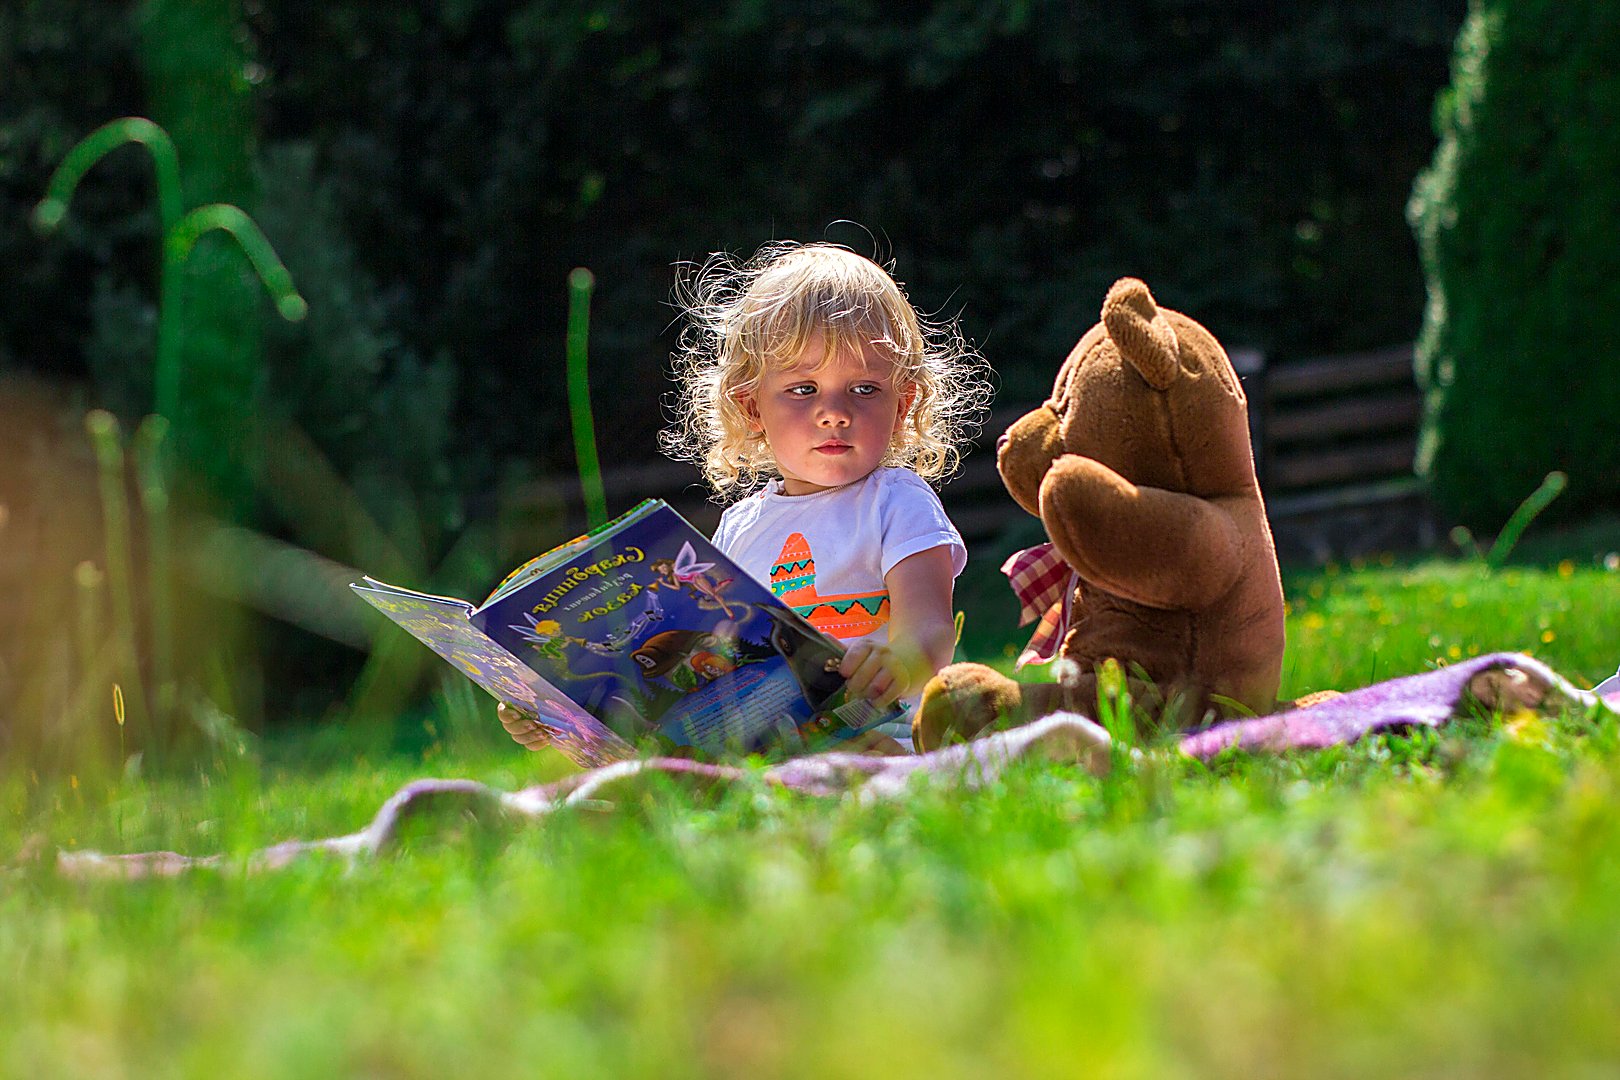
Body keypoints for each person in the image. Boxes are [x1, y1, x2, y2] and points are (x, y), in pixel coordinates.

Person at [501, 241, 991, 754]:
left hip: (874, 735)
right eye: (803, 389)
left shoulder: (896, 502)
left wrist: (901, 663)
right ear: (751, 406)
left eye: (864, 388)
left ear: (903, 401)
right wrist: (558, 714)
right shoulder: (740, 526)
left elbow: (931, 630)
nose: (834, 412)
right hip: (756, 750)